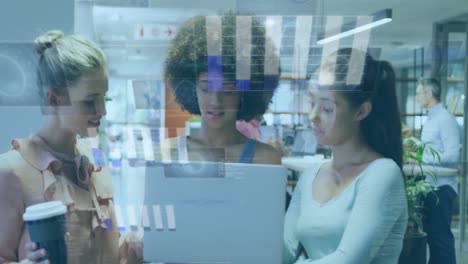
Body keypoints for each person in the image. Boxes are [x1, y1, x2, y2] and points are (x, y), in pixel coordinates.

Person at [0, 31, 138, 264]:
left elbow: (106, 250)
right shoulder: (10, 172)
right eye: (90, 100)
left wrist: (134, 246)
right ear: (53, 99)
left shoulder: (96, 159)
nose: (102, 110)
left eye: (104, 98)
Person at [283, 48, 408, 263]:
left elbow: (348, 260)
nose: (313, 117)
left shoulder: (382, 173)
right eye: (311, 103)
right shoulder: (310, 176)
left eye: (327, 109)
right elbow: (284, 252)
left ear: (361, 111)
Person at [162, 12, 282, 165]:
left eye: (227, 90)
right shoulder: (169, 153)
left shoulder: (265, 158)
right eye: (206, 89)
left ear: (244, 94)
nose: (215, 101)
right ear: (193, 90)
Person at [415, 77, 460, 264]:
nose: (417, 97)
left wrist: (423, 158)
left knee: (441, 239)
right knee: (431, 238)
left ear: (428, 93)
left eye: (418, 93)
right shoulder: (431, 119)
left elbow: (452, 155)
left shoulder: (445, 119)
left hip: (441, 188)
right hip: (429, 187)